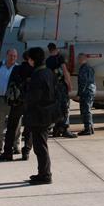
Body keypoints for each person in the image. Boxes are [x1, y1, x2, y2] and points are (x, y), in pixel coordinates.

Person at [26, 47, 56, 184]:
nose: (28, 62)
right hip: (47, 113)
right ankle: (43, 172)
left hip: (39, 115)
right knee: (41, 145)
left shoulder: (37, 75)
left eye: (29, 59)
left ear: (33, 60)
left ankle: (45, 175)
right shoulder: (48, 72)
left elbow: (34, 97)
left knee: (40, 146)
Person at [0, 48, 17, 156]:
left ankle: (15, 145)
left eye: (15, 56)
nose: (13, 58)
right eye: (11, 55)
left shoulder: (18, 68)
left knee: (16, 124)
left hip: (13, 100)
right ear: (7, 55)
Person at [46, 43, 76, 138]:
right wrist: (70, 85)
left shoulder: (48, 61)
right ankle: (65, 129)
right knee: (65, 108)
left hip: (53, 87)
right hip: (61, 86)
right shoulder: (60, 58)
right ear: (56, 49)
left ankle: (56, 130)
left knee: (56, 108)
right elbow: (65, 71)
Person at [76, 53, 96, 136]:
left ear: (82, 59)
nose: (78, 60)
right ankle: (90, 128)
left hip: (86, 91)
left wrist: (79, 93)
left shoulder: (83, 68)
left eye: (79, 58)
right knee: (88, 109)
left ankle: (87, 129)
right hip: (91, 90)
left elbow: (83, 82)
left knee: (85, 110)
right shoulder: (90, 67)